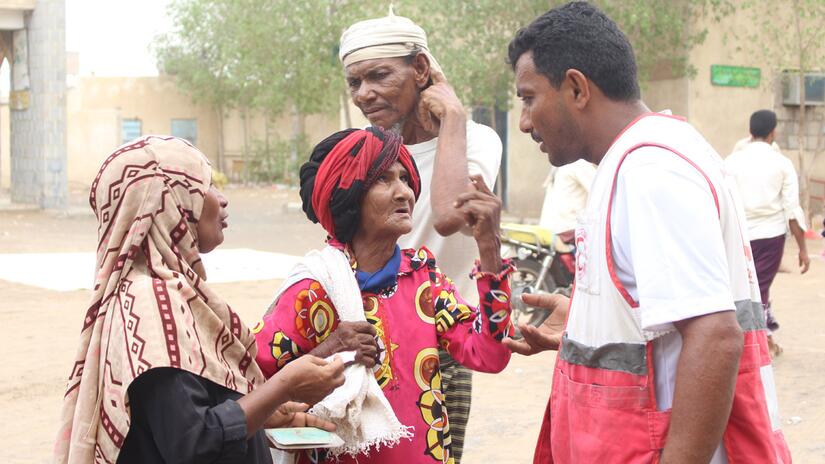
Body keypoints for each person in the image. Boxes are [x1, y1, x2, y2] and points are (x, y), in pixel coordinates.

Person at [502, 3, 791, 463]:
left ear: (576, 88)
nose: (524, 120)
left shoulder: (650, 170)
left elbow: (715, 335)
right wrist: (588, 320)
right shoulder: (637, 161)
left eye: (529, 97)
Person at [54, 136, 345, 464]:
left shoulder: (168, 294)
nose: (222, 200)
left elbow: (176, 426)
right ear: (170, 202)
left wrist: (264, 414)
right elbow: (193, 445)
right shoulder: (150, 302)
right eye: (205, 185)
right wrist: (284, 387)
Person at [254, 127, 513, 463]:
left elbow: (490, 355)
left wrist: (489, 248)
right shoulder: (314, 290)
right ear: (349, 196)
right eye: (384, 179)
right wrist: (331, 350)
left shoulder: (423, 279)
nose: (403, 192)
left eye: (405, 178)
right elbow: (252, 383)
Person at [337, 11, 503, 461]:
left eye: (378, 75)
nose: (364, 93)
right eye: (355, 82)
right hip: (364, 341)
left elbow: (452, 214)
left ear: (422, 70)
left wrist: (452, 118)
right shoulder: (364, 150)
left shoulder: (477, 140)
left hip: (443, 340)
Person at [725, 109, 810, 357]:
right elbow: (792, 210)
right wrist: (803, 249)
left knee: (746, 287)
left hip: (738, 235)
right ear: (773, 131)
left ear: (750, 131)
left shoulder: (731, 162)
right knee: (759, 290)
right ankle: (756, 345)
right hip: (770, 238)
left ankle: (764, 339)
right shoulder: (781, 164)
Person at [538, 159, 596, 239]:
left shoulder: (579, 164)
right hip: (550, 234)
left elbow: (598, 193)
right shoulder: (558, 164)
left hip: (569, 235)